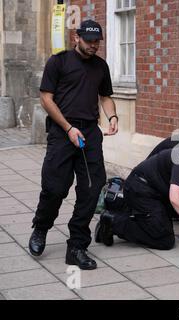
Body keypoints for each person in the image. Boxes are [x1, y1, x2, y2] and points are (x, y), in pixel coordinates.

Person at [28, 20, 118, 270]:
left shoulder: (101, 66)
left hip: (89, 132)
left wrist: (112, 117)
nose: (93, 46)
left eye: (97, 41)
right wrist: (68, 128)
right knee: (55, 187)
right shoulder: (58, 62)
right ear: (76, 38)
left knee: (92, 188)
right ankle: (41, 228)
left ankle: (77, 245)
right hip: (62, 131)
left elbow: (105, 96)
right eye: (89, 41)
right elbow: (46, 99)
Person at [94, 145, 179, 250]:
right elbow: (175, 198)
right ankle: (113, 222)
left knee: (166, 222)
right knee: (165, 240)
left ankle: (135, 216)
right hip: (140, 188)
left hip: (157, 194)